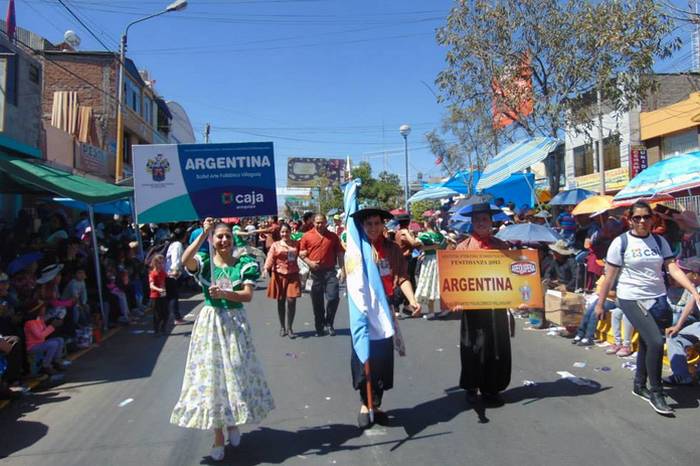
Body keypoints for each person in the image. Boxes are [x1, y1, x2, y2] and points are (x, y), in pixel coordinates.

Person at [170, 218, 273, 462]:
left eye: (227, 236)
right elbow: (186, 261)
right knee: (213, 378)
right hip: (210, 323)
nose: (224, 240)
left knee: (235, 375)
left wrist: (226, 292)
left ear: (232, 238)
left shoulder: (244, 265)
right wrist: (203, 234)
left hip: (234, 323)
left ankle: (232, 422)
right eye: (219, 237)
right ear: (213, 241)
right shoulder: (205, 263)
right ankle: (218, 435)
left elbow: (247, 296)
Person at [595, 201, 700, 415]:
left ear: (652, 219)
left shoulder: (660, 241)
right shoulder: (621, 242)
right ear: (630, 220)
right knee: (655, 340)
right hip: (631, 297)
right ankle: (656, 392)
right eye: (637, 218)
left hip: (657, 298)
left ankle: (639, 384)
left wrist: (694, 290)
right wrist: (600, 303)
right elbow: (609, 277)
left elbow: (672, 268)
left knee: (645, 341)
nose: (642, 221)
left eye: (646, 217)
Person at [349, 207, 420, 428]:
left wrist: (412, 300)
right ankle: (364, 402)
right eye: (368, 224)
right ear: (362, 226)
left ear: (383, 225)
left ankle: (376, 403)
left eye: (376, 223)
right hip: (362, 311)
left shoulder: (392, 250)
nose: (372, 227)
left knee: (382, 359)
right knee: (364, 357)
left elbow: (402, 278)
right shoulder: (356, 250)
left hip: (384, 311)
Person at [452, 203, 512, 406]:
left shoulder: (502, 247)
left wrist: (520, 299)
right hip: (472, 307)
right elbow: (454, 278)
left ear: (491, 221)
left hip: (496, 307)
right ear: (472, 222)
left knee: (497, 346)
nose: (481, 223)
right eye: (477, 220)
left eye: (484, 219)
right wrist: (456, 300)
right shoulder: (462, 248)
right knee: (473, 347)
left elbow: (512, 275)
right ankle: (471, 386)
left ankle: (492, 388)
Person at [300, 214, 345, 336]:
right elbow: (301, 254)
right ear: (313, 223)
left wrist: (343, 269)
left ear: (326, 222)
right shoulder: (307, 236)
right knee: (317, 302)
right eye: (317, 222)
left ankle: (329, 323)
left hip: (330, 272)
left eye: (322, 222)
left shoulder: (333, 237)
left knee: (333, 297)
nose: (320, 225)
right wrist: (310, 263)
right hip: (314, 274)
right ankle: (319, 325)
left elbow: (340, 253)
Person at [663, 257, 700, 386]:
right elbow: (689, 306)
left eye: (685, 272)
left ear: (695, 275)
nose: (681, 275)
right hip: (697, 324)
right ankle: (681, 375)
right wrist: (677, 326)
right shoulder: (694, 287)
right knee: (673, 337)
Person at [264, 223, 301, 338]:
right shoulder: (275, 245)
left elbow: (302, 254)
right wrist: (266, 268)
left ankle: (290, 327)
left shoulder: (296, 244)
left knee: (291, 300)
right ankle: (282, 327)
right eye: (282, 232)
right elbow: (270, 258)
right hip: (279, 275)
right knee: (281, 301)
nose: (285, 234)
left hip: (293, 275)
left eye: (287, 231)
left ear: (290, 232)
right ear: (280, 233)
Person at [23, 299, 67, 376]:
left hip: (41, 343)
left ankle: (56, 361)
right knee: (53, 344)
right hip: (33, 346)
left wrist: (55, 323)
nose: (44, 309)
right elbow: (40, 336)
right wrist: (52, 326)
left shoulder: (39, 319)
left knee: (60, 340)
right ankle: (45, 366)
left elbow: (44, 331)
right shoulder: (30, 323)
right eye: (42, 308)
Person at [415, 218, 446, 319]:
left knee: (429, 284)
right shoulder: (440, 235)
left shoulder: (425, 235)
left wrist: (424, 249)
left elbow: (414, 244)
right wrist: (435, 246)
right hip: (440, 259)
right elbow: (444, 246)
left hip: (430, 261)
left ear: (427, 224)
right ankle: (445, 308)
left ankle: (431, 311)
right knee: (440, 284)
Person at [166, 228, 188, 326]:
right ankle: (177, 318)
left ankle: (171, 316)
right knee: (173, 296)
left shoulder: (172, 244)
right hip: (171, 273)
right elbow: (176, 258)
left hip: (168, 272)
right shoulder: (177, 245)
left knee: (170, 296)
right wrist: (175, 270)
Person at [149, 254, 168, 335]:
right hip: (155, 296)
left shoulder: (163, 272)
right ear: (155, 263)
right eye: (160, 263)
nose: (161, 264)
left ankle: (163, 328)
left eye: (162, 263)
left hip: (163, 295)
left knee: (166, 313)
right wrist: (159, 289)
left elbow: (166, 281)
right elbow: (151, 285)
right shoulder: (152, 273)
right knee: (157, 314)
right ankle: (156, 330)